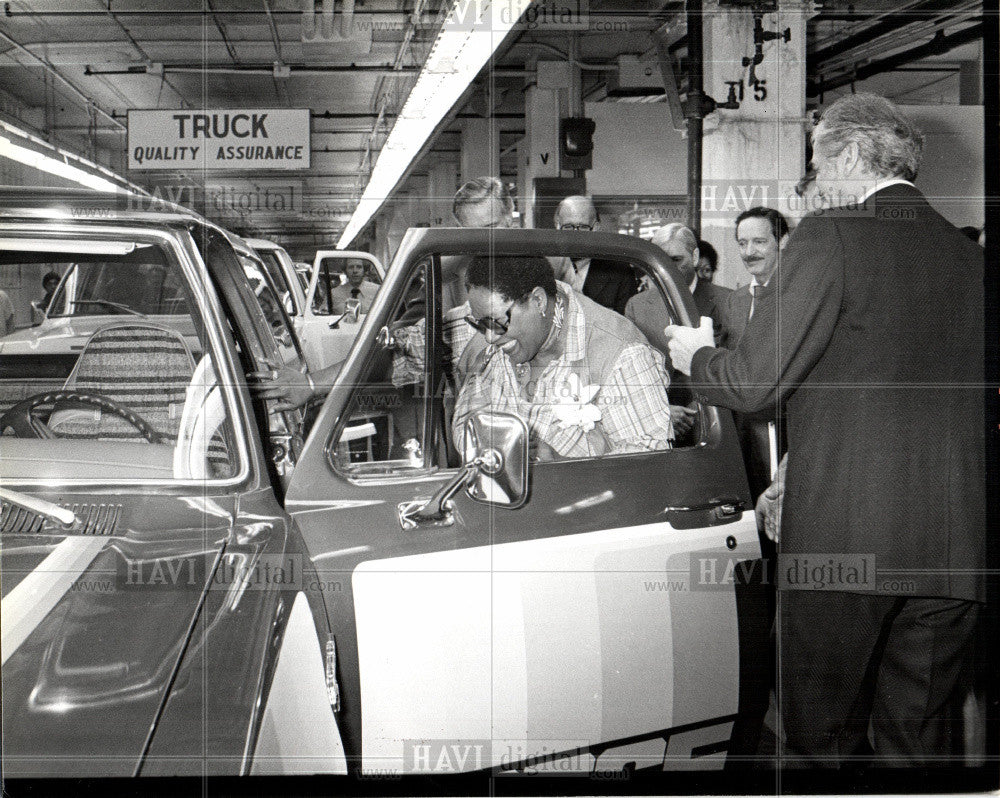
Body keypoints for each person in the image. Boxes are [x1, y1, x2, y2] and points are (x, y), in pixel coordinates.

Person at [664, 93, 985, 768]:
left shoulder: (829, 236)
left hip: (844, 545)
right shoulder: (969, 259)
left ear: (848, 154)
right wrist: (792, 471)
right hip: (956, 551)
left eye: (816, 163)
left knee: (814, 744)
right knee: (918, 750)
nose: (811, 185)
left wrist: (694, 355)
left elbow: (752, 381)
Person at [454, 255, 674, 459]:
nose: (490, 338)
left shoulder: (622, 353)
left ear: (538, 301)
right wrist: (485, 443)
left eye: (496, 323)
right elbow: (464, 421)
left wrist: (558, 463)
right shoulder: (494, 336)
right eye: (480, 324)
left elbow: (649, 462)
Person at [625, 223, 732, 438]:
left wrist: (696, 410)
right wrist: (661, 410)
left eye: (675, 259)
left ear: (694, 257)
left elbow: (730, 366)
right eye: (659, 260)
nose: (666, 269)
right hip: (655, 425)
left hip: (712, 423)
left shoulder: (727, 301)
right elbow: (630, 373)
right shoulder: (636, 306)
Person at [726, 206, 790, 502]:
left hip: (786, 431)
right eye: (742, 243)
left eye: (759, 242)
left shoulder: (798, 297)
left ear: (783, 242)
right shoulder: (735, 301)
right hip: (742, 433)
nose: (748, 252)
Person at [552, 195, 638, 315]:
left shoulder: (619, 272)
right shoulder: (545, 268)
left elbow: (626, 328)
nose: (575, 235)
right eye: (568, 227)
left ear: (596, 228)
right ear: (557, 227)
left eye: (583, 227)